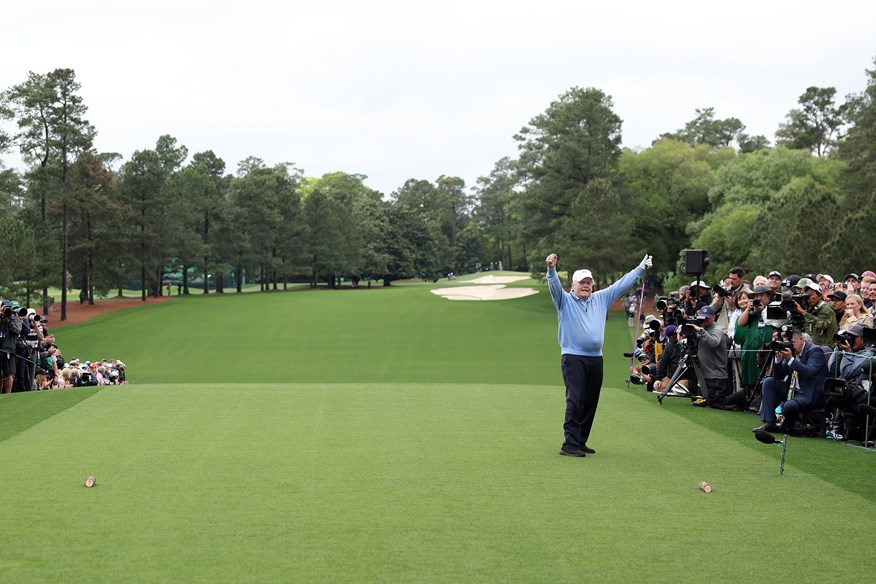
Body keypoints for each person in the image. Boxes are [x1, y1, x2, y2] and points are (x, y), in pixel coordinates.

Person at [546, 252, 652, 457]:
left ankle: (580, 440)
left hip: (596, 358)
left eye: (588, 282)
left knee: (590, 401)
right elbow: (553, 286)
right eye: (581, 282)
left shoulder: (601, 298)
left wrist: (640, 269)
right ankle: (569, 443)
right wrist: (551, 269)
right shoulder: (564, 300)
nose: (585, 285)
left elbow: (621, 285)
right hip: (573, 357)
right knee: (575, 399)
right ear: (573, 286)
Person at [754, 329, 828, 434]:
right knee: (768, 382)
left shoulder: (815, 351)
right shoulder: (792, 353)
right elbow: (779, 376)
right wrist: (778, 359)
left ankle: (786, 427)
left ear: (801, 340)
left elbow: (809, 372)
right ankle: (770, 423)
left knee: (789, 406)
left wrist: (790, 359)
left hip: (808, 393)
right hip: (793, 390)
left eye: (792, 343)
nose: (790, 346)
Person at [685, 306, 731, 407]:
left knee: (715, 402)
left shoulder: (716, 329)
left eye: (707, 318)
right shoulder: (705, 329)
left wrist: (700, 330)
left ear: (714, 317)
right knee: (705, 401)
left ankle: (739, 397)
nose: (705, 320)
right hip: (706, 375)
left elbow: (713, 343)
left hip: (715, 376)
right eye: (703, 318)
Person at [792, 278, 838, 347]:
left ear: (820, 296)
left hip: (826, 348)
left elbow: (821, 324)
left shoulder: (826, 309)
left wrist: (803, 312)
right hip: (814, 346)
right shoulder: (812, 309)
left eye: (811, 295)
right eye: (807, 296)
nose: (808, 298)